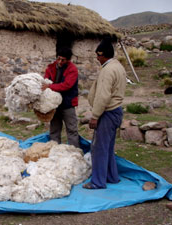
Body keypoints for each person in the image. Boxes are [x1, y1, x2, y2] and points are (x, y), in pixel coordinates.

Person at [83, 38, 127, 189]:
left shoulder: (108, 70)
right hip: (115, 111)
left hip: (107, 113)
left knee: (99, 148)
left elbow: (103, 95)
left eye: (98, 55)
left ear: (103, 55)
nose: (97, 58)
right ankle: (111, 176)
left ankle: (98, 182)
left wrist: (95, 116)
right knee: (107, 146)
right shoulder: (117, 66)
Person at [42, 47, 79, 148]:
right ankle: (55, 152)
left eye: (63, 60)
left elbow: (66, 85)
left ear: (68, 60)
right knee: (54, 130)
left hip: (68, 103)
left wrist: (50, 86)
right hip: (54, 104)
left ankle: (74, 152)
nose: (60, 61)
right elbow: (46, 80)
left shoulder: (72, 70)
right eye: (58, 58)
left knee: (72, 130)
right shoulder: (51, 67)